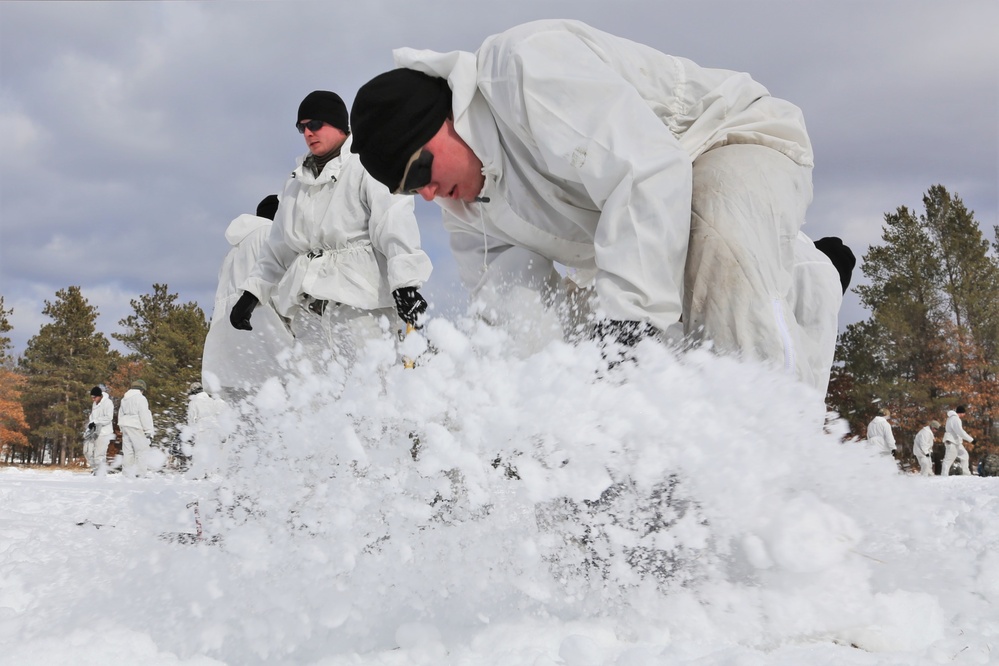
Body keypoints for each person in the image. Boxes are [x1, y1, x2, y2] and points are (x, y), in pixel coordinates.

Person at [349, 19, 852, 391]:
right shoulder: (468, 213)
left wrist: (626, 329)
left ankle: (775, 468)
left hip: (723, 139)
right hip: (642, 222)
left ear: (446, 117)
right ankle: (802, 272)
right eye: (411, 191)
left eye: (420, 171)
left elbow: (649, 170)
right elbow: (515, 309)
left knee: (714, 249)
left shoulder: (521, 69)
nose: (429, 194)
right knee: (636, 346)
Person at [230, 90, 433, 370]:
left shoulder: (367, 164)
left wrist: (406, 284)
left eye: (315, 125)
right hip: (309, 307)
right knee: (316, 398)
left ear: (339, 125)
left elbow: (393, 223)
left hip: (361, 303)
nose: (308, 133)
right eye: (302, 127)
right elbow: (279, 247)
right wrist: (251, 294)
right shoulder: (295, 183)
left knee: (373, 387)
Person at [203, 194, 295, 401]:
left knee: (246, 421)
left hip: (226, 346)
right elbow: (282, 287)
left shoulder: (233, 250)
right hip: (264, 334)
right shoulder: (271, 235)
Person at [184, 382, 226, 478]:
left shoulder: (194, 402)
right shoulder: (211, 400)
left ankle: (200, 473)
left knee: (200, 451)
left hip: (202, 427)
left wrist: (191, 432)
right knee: (212, 450)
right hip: (214, 427)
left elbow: (191, 418)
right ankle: (212, 473)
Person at [118, 379, 154, 478]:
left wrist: (121, 427)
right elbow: (144, 415)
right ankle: (140, 473)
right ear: (142, 389)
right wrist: (148, 431)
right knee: (142, 449)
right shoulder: (140, 398)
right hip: (136, 425)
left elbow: (120, 413)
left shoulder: (124, 399)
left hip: (125, 425)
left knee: (128, 450)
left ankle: (127, 473)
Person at [84, 385, 114, 475]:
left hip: (104, 432)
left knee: (99, 454)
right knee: (87, 451)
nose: (93, 399)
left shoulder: (108, 403)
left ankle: (100, 472)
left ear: (100, 396)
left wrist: (96, 421)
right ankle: (95, 468)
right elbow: (92, 417)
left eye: (94, 397)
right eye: (92, 397)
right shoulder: (95, 403)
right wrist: (90, 426)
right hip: (94, 432)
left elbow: (109, 417)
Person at [942, 405, 974, 477]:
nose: (964, 415)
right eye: (964, 413)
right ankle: (944, 475)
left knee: (964, 455)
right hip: (952, 441)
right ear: (961, 412)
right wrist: (971, 440)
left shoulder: (952, 418)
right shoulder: (955, 419)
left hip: (956, 442)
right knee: (949, 459)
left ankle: (966, 473)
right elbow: (960, 431)